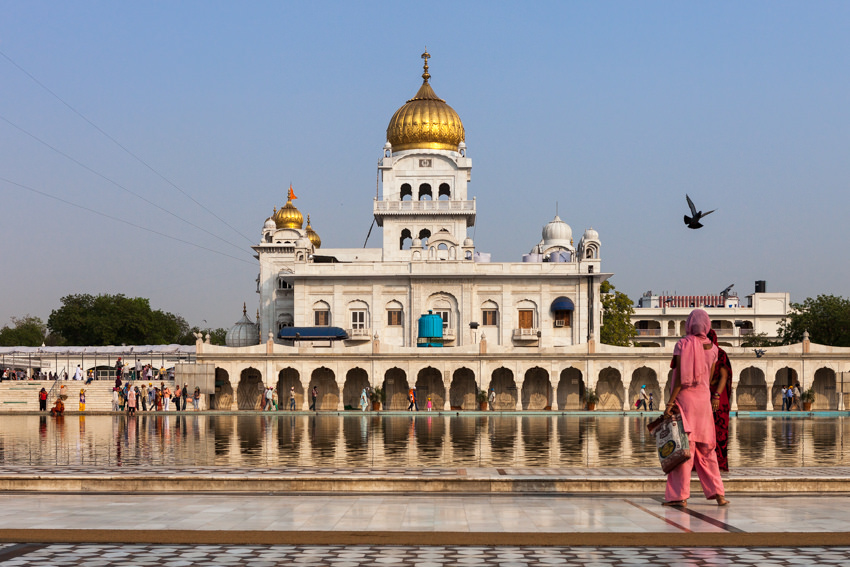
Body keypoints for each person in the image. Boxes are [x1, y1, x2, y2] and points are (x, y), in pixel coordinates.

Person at [663, 309, 728, 507]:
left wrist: (670, 403)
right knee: (707, 451)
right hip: (703, 402)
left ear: (689, 324)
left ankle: (679, 496)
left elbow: (681, 379)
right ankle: (719, 494)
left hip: (686, 402)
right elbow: (708, 379)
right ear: (707, 325)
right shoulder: (714, 349)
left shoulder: (683, 344)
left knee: (683, 451)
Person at [707, 329, 732, 472]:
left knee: (719, 430)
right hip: (705, 393)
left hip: (718, 396)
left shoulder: (719, 353)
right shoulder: (702, 353)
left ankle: (719, 462)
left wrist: (716, 395)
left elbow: (724, 376)